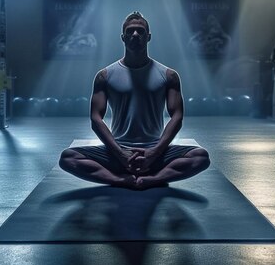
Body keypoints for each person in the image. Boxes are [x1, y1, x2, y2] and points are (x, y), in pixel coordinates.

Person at [59, 11, 210, 190]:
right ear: (123, 37)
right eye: (130, 32)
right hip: (117, 151)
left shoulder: (169, 75)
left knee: (201, 157)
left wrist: (155, 152)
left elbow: (177, 116)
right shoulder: (105, 76)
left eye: (140, 31)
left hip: (156, 150)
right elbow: (95, 119)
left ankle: (151, 180)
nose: (135, 35)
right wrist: (121, 154)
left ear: (149, 36)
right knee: (68, 158)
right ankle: (122, 180)